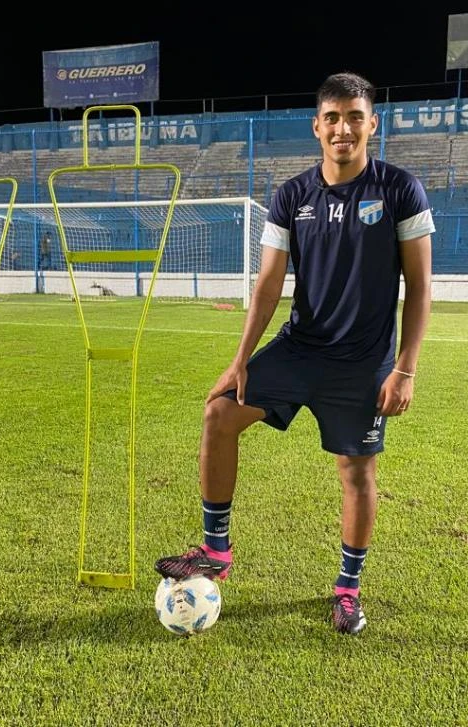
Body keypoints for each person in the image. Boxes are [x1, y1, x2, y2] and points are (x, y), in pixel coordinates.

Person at [154, 72, 434, 635]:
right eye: (332, 117)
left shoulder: (401, 190)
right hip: (300, 348)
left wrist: (404, 368)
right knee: (219, 413)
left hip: (363, 363)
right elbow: (267, 286)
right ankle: (217, 551)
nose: (343, 128)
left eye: (355, 116)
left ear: (371, 124)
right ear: (317, 126)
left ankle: (347, 589)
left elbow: (420, 286)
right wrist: (240, 360)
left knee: (356, 473)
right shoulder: (291, 196)